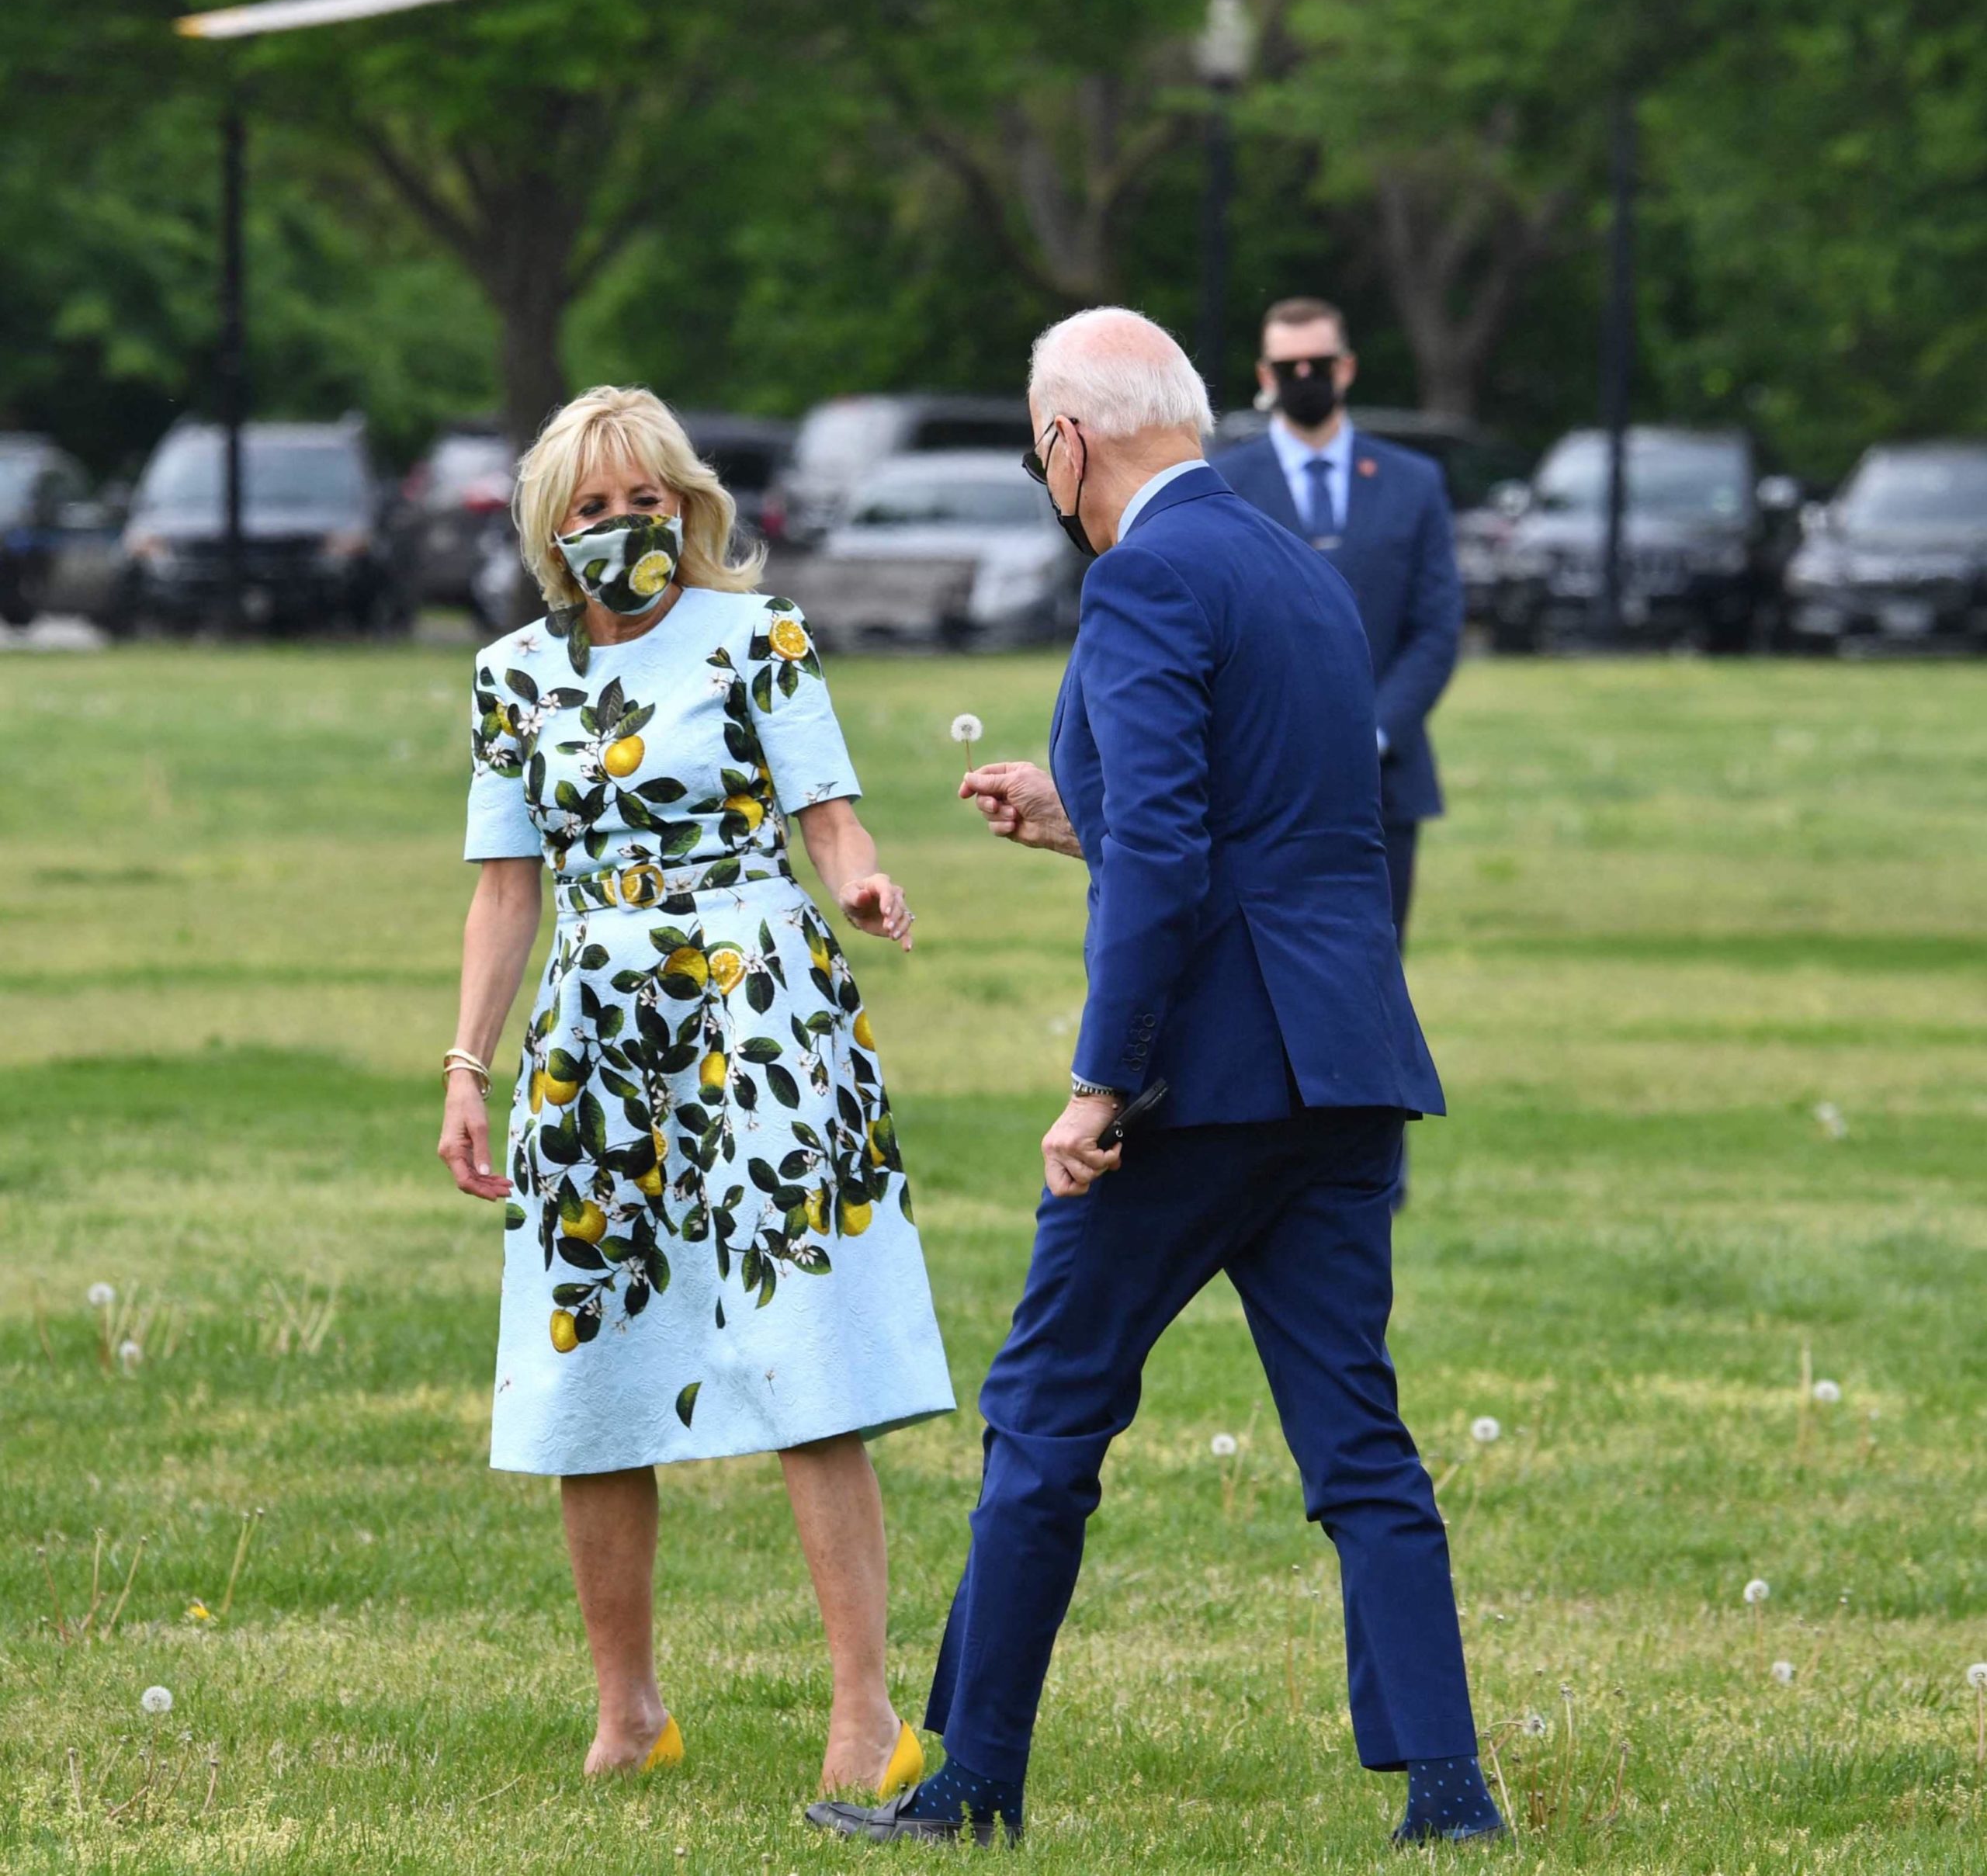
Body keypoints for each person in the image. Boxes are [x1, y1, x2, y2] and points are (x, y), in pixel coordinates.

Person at [806, 311, 1501, 1850]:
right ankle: (1447, 1791)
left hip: (1198, 1082)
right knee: (1355, 1436)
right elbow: (1273, 825)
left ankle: (970, 1783)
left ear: (1066, 441)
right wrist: (1082, 811)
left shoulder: (1141, 581)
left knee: (1042, 1416)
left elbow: (1179, 869)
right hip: (1344, 1064)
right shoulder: (1301, 578)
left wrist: (1100, 1082)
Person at [436, 384, 952, 1794]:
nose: (624, 530)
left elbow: (828, 824)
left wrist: (862, 882)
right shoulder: (511, 680)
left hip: (760, 1011)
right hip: (591, 1034)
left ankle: (866, 1715)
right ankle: (630, 1713)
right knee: (589, 1360)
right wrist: (468, 1066)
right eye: (594, 511)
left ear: (691, 509)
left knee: (806, 1347)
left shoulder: (758, 638)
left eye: (647, 503)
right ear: (553, 529)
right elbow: (505, 892)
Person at [1212, 298, 1463, 954]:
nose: (1304, 376)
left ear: (1346, 367)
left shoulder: (1414, 482)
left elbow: (1436, 628)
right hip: (1262, 783)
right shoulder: (1223, 482)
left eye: (1317, 363)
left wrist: (1372, 731)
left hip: (1384, 781)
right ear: (1265, 378)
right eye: (1286, 366)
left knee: (1375, 971)